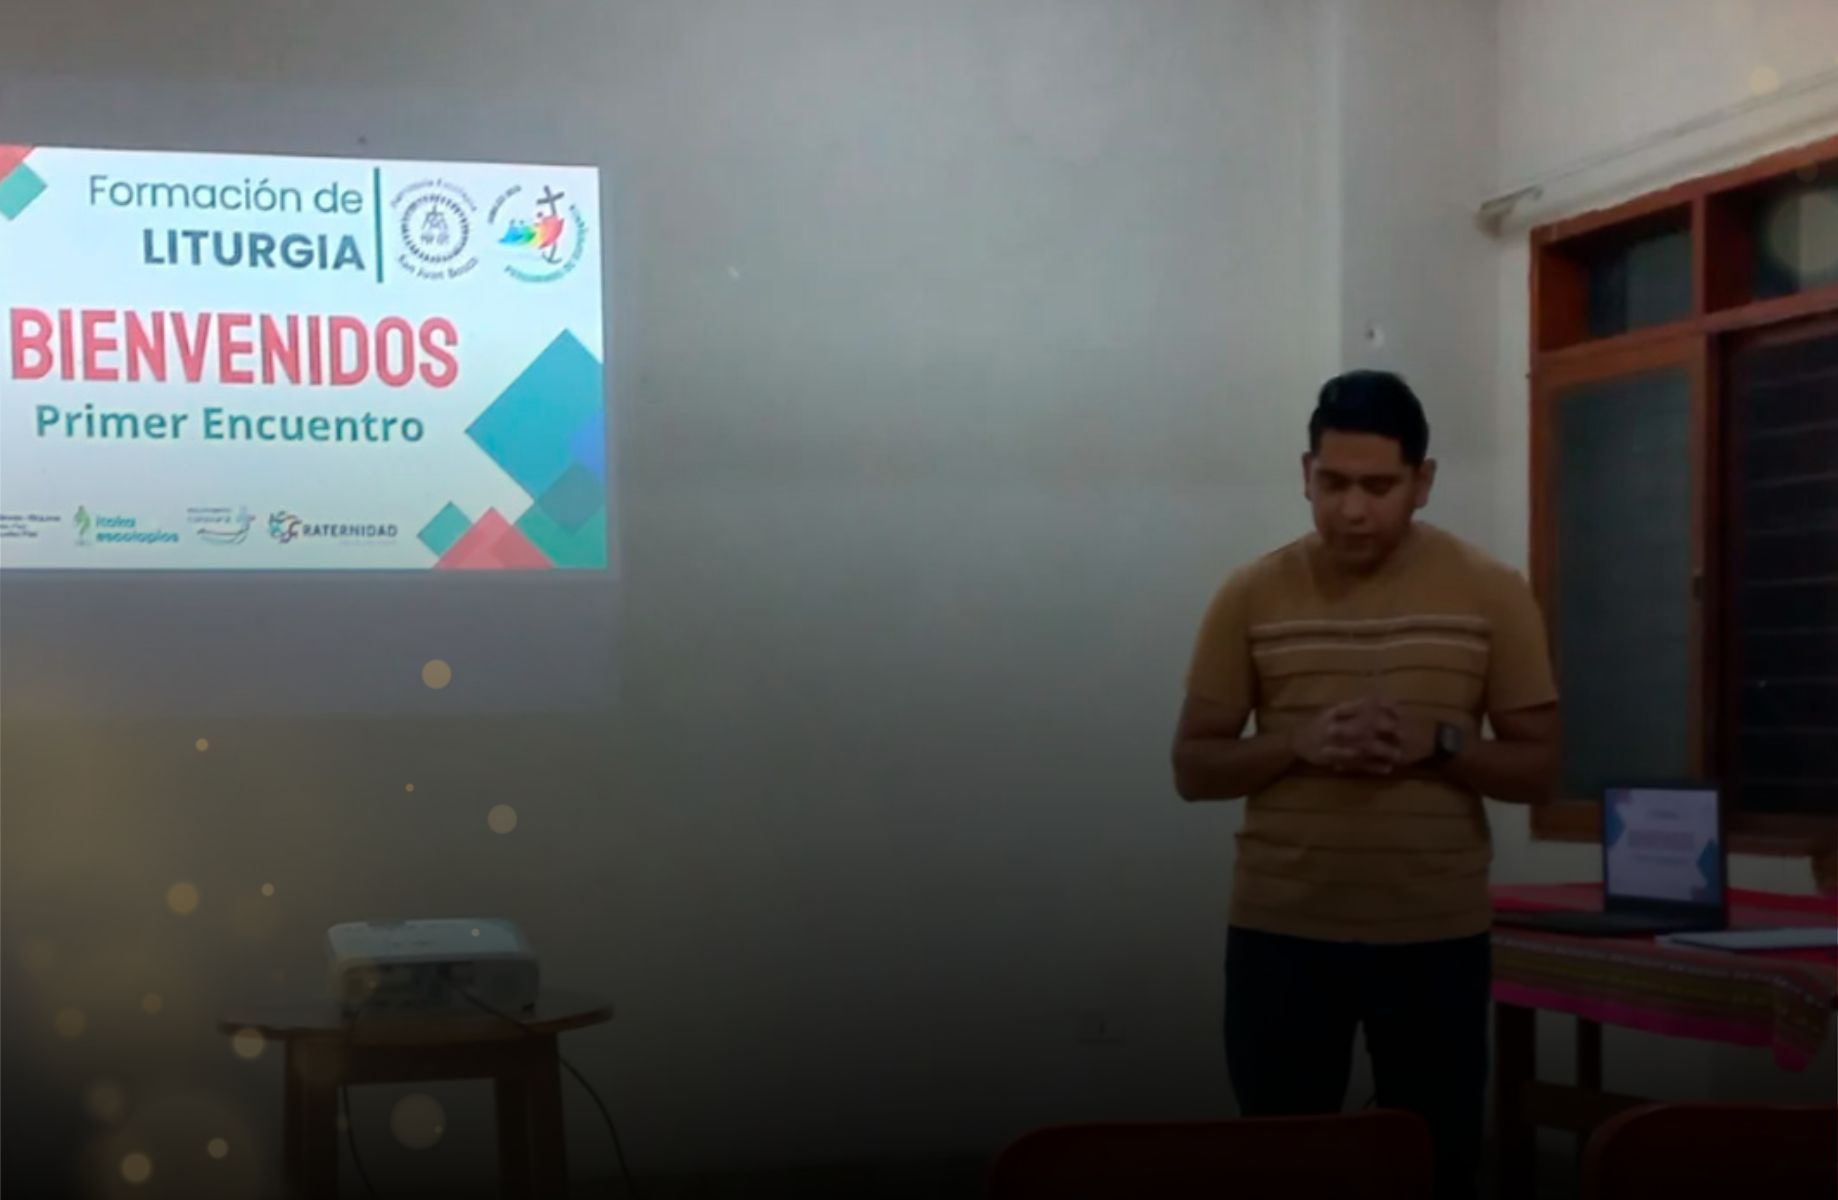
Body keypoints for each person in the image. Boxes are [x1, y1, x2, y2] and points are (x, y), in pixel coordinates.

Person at [1171, 370, 1559, 1200]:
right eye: (1333, 483)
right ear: (1304, 474)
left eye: (1379, 487)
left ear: (1423, 481)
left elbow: (1539, 770)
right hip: (1282, 930)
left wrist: (1441, 743)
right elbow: (1194, 767)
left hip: (1435, 935)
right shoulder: (1250, 593)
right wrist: (1298, 743)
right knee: (1282, 1163)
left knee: (1436, 1163)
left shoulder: (1492, 591)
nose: (1352, 510)